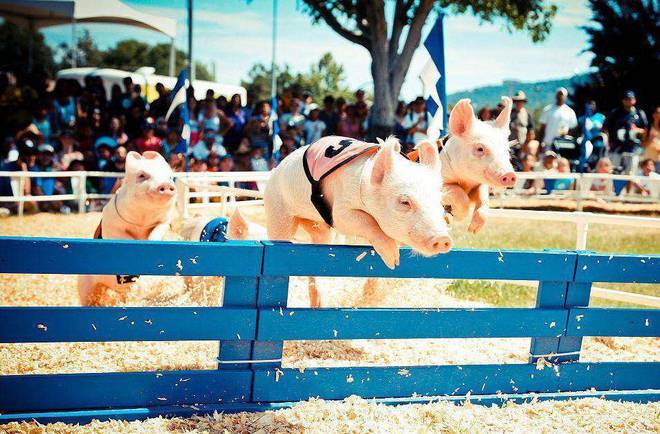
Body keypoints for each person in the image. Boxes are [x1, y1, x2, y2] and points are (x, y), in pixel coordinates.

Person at [604, 90, 648, 170]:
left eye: (630, 99)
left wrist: (637, 130)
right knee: (614, 171)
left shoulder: (639, 113)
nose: (628, 101)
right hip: (616, 148)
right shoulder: (615, 113)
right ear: (623, 100)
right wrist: (609, 143)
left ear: (634, 100)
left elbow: (645, 130)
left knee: (631, 172)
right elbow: (606, 128)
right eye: (626, 99)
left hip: (633, 149)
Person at [578, 100, 606, 171]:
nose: (591, 106)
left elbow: (605, 130)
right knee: (586, 160)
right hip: (586, 143)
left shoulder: (601, 117)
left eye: (593, 104)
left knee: (597, 160)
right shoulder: (582, 118)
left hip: (598, 143)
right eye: (589, 105)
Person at [642, 105, 660, 171]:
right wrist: (651, 139)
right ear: (653, 115)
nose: (658, 115)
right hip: (648, 160)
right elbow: (643, 145)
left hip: (659, 160)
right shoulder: (648, 128)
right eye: (657, 112)